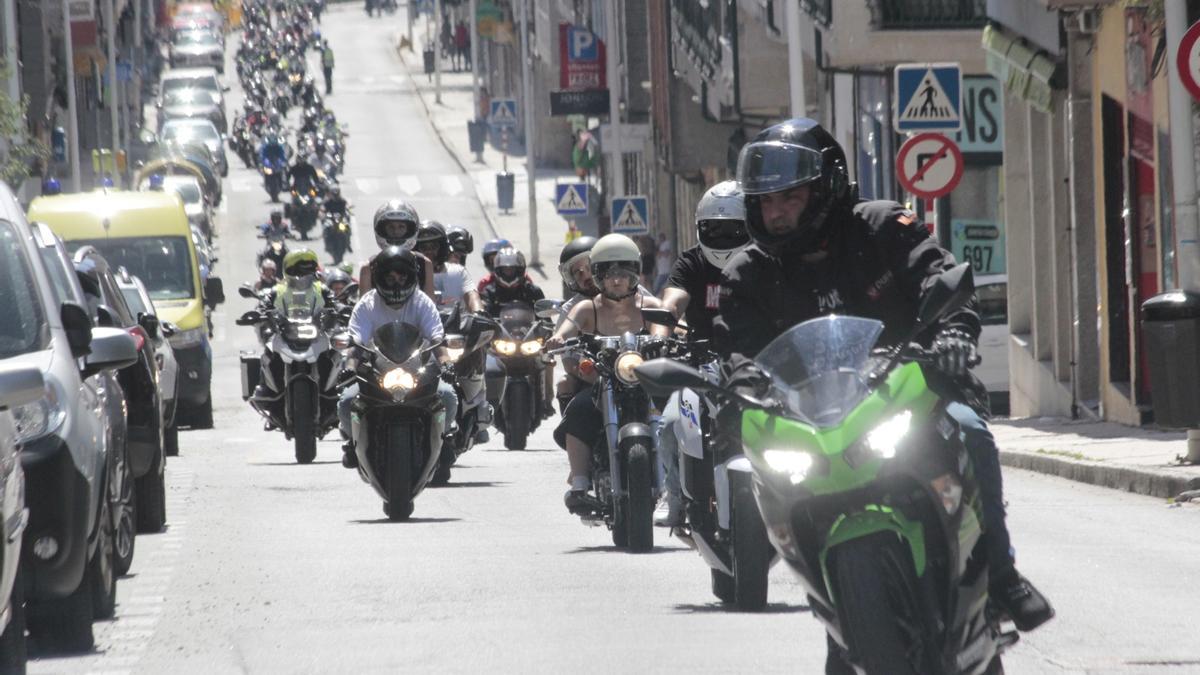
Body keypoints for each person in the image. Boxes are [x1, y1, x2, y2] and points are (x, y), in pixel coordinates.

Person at [716, 118, 1054, 636]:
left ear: (823, 187)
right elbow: (738, 347)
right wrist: (737, 385)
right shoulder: (747, 272)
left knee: (972, 432)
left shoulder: (879, 227)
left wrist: (954, 335)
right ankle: (827, 597)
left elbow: (938, 278)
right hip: (814, 418)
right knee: (755, 467)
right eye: (766, 202)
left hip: (910, 389)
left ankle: (1004, 575)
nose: (777, 213)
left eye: (790, 198)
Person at [545, 234, 670, 514]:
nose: (617, 281)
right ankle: (579, 483)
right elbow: (567, 328)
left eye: (623, 275)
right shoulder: (585, 306)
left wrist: (670, 334)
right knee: (578, 410)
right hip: (603, 380)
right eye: (610, 275)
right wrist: (558, 339)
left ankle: (678, 482)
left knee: (678, 411)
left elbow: (667, 322)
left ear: (634, 275)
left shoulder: (647, 304)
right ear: (601, 276)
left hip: (643, 379)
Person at [653, 179, 750, 527]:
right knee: (669, 424)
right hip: (701, 363)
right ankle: (673, 494)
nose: (722, 238)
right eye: (713, 229)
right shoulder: (692, 262)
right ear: (700, 228)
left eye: (732, 230)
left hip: (755, 362)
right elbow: (672, 302)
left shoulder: (764, 259)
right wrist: (660, 335)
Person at [339, 247, 458, 468]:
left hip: (418, 369)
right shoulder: (366, 304)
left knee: (448, 395)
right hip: (376, 371)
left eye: (401, 276)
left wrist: (447, 364)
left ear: (411, 277)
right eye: (390, 277)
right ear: (379, 278)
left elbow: (436, 338)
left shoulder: (422, 302)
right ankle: (353, 443)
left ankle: (445, 439)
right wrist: (350, 366)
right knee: (347, 401)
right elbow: (356, 342)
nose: (396, 283)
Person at [480, 247, 554, 415]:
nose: (509, 272)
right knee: (481, 357)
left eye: (512, 269)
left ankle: (547, 398)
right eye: (505, 269)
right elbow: (482, 315)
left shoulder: (532, 291)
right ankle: (483, 401)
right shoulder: (489, 292)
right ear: (497, 270)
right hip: (500, 341)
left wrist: (548, 329)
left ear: (520, 270)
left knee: (547, 358)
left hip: (528, 339)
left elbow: (546, 317)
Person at [358, 199, 436, 298]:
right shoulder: (368, 267)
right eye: (391, 227)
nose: (396, 232)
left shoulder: (424, 264)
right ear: (382, 229)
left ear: (410, 229)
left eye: (401, 227)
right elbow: (364, 308)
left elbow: (431, 305)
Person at [416, 220, 482, 313]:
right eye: (424, 247)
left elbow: (472, 297)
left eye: (433, 246)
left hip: (456, 326)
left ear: (442, 248)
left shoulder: (459, 272)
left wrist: (480, 313)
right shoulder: (410, 275)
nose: (429, 251)